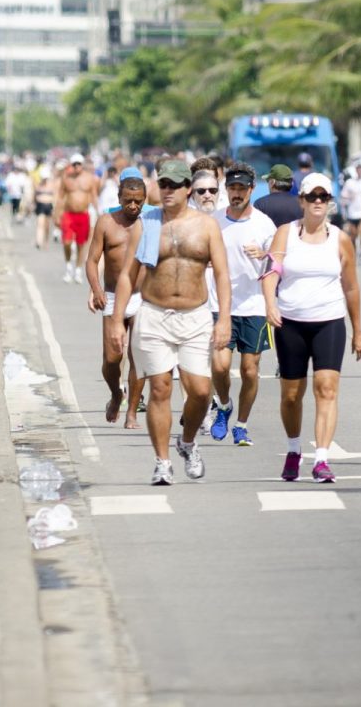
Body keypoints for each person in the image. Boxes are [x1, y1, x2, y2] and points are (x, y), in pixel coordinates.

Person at [108, 158, 231, 486]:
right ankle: (162, 462)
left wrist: (224, 320)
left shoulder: (206, 227)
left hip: (195, 316)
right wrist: (117, 320)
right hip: (154, 314)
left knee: (202, 392)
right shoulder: (146, 224)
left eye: (174, 185)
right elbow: (126, 276)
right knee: (160, 388)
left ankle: (187, 442)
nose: (167, 191)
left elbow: (221, 274)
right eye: (163, 184)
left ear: (187, 189)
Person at [258, 172, 361, 482]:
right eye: (312, 197)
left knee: (326, 389)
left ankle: (321, 459)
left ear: (329, 202)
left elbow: (352, 288)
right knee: (291, 394)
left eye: (323, 197)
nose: (318, 202)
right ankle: (293, 450)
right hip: (290, 322)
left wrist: (358, 330)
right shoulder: (285, 234)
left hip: (329, 321)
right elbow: (271, 272)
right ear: (301, 201)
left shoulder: (340, 239)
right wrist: (270, 304)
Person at [209, 162, 276, 446]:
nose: (236, 193)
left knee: (250, 369)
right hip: (219, 304)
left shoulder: (264, 224)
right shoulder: (213, 221)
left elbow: (277, 264)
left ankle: (241, 424)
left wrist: (264, 254)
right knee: (220, 366)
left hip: (254, 305)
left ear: (251, 189)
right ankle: (224, 406)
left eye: (241, 188)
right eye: (232, 188)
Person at [86, 168, 148, 426]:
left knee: (138, 356)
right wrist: (97, 289)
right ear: (119, 197)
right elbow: (92, 260)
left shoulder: (151, 224)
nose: (133, 205)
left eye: (138, 201)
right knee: (112, 359)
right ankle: (115, 393)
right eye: (128, 200)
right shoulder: (106, 222)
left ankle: (132, 411)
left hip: (142, 296)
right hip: (111, 296)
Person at [53, 153, 101, 284]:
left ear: (82, 165)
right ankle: (69, 267)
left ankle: (78, 270)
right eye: (74, 164)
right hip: (69, 214)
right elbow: (61, 197)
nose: (76, 167)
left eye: (78, 164)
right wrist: (56, 214)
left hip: (83, 214)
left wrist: (99, 213)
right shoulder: (66, 179)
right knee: (67, 241)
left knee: (81, 243)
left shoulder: (90, 179)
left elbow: (94, 196)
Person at [339, 162, 361, 235]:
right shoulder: (350, 183)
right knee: (353, 235)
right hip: (352, 213)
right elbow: (343, 197)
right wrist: (343, 212)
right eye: (358, 168)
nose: (360, 170)